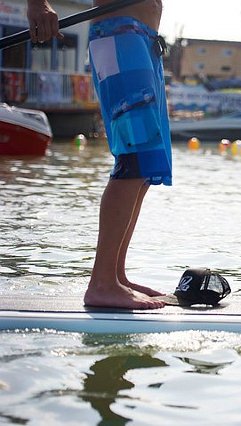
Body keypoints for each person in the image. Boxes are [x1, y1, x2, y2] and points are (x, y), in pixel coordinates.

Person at [27, 0, 169, 309]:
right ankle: (101, 282)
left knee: (145, 165)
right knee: (134, 158)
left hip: (145, 39)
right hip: (120, 35)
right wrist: (37, 4)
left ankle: (116, 275)